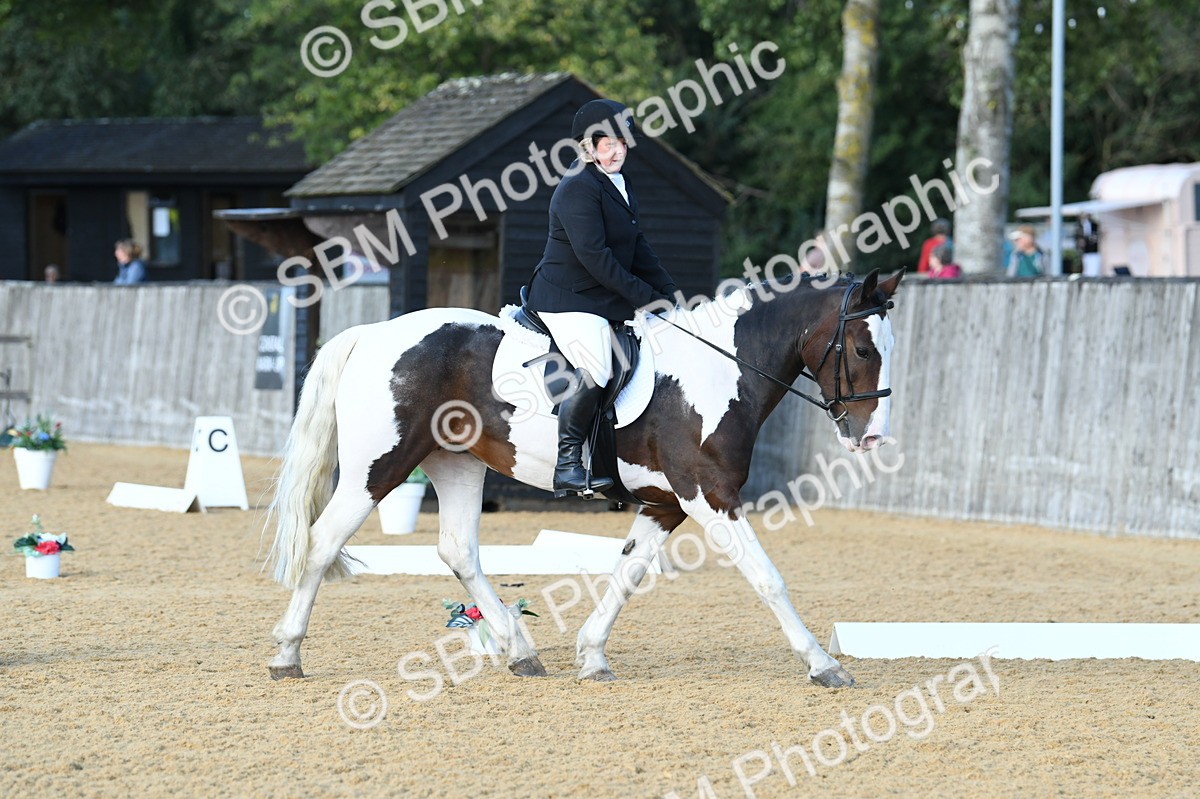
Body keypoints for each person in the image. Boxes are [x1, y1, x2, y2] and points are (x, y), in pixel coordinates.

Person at [525, 98, 678, 498]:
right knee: (598, 362)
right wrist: (645, 298)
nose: (617, 151)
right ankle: (568, 464)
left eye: (622, 143)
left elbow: (637, 246)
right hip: (567, 297)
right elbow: (596, 258)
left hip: (597, 296)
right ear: (588, 147)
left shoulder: (618, 184)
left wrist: (669, 293)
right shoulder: (577, 188)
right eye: (607, 144)